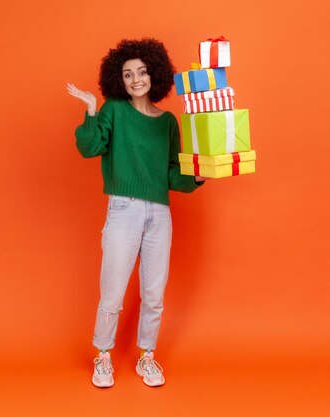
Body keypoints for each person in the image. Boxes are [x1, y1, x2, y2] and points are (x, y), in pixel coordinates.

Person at [67, 38, 206, 388]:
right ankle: (103, 356)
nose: (135, 80)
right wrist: (90, 109)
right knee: (112, 290)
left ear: (154, 74)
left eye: (142, 72)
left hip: (160, 213)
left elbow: (173, 174)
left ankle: (147, 357)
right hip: (123, 209)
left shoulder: (168, 122)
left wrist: (199, 177)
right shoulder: (114, 110)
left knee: (154, 293)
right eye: (128, 74)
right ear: (119, 80)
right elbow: (90, 147)